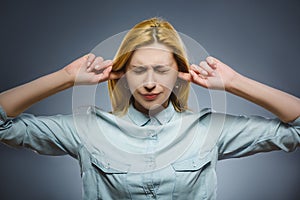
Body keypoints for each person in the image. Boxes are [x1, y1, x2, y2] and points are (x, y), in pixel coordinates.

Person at [0, 17, 299, 200]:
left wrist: (234, 83)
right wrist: (65, 78)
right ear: (122, 74)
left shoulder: (208, 130)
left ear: (180, 73)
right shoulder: (87, 129)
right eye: (139, 70)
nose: (150, 82)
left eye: (161, 70)